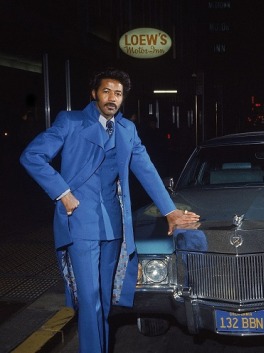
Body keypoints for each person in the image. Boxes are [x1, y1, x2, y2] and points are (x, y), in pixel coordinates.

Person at [19, 68, 200, 353]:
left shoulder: (127, 129)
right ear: (94, 94)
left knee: (104, 300)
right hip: (80, 224)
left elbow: (147, 171)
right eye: (106, 91)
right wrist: (63, 193)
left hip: (115, 226)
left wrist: (170, 212)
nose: (112, 98)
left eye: (118, 93)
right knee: (90, 301)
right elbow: (32, 156)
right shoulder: (71, 122)